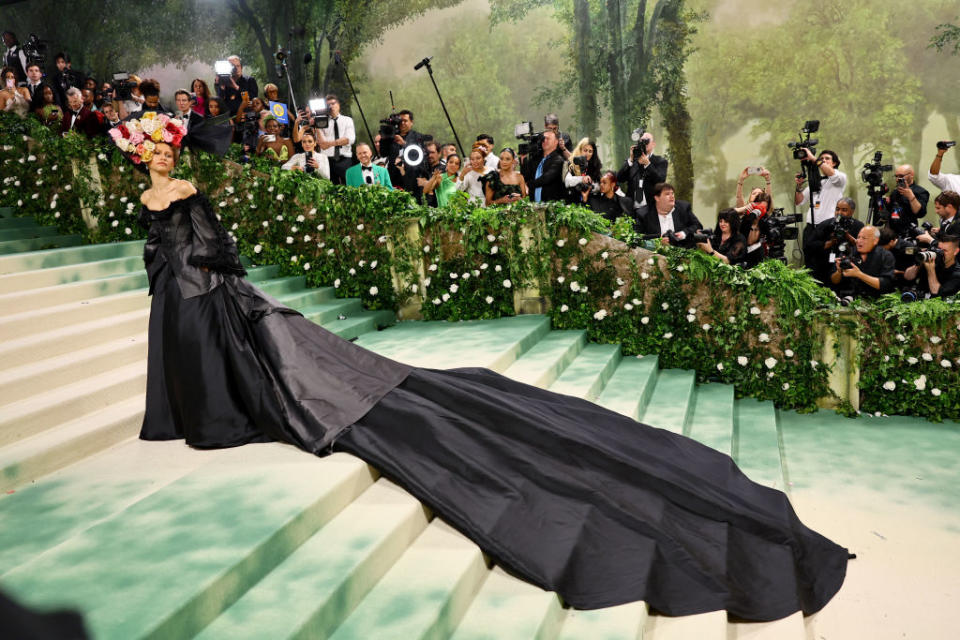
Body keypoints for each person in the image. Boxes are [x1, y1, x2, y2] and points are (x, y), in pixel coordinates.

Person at [124, 127, 848, 625]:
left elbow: (213, 246)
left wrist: (203, 275)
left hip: (210, 293)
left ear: (171, 155)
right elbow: (165, 251)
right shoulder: (152, 196)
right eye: (146, 150)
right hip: (180, 302)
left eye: (158, 149)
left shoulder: (188, 188)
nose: (153, 158)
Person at [803, 197, 863, 286]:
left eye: (844, 210)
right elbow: (809, 245)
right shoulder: (826, 224)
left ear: (852, 211)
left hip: (848, 268)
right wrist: (827, 244)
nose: (839, 213)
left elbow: (863, 247)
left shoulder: (858, 226)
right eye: (837, 209)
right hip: (824, 266)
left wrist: (848, 236)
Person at [829, 225, 895, 300]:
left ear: (875, 241)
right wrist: (839, 271)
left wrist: (859, 274)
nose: (859, 241)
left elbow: (885, 284)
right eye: (858, 237)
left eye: (864, 238)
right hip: (847, 299)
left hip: (875, 302)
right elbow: (834, 281)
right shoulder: (848, 252)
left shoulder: (885, 256)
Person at [637, 182, 702, 245]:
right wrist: (657, 241)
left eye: (672, 193)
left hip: (682, 248)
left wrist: (684, 233)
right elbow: (637, 236)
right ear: (657, 198)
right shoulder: (643, 213)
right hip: (655, 252)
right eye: (667, 194)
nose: (672, 196)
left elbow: (697, 225)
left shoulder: (683, 208)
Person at [617, 132, 668, 211]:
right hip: (632, 208)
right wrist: (630, 160)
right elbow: (619, 178)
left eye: (647, 141)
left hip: (651, 207)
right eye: (642, 141)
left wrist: (648, 164)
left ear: (653, 144)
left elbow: (660, 181)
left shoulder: (660, 161)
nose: (644, 143)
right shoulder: (632, 161)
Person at [795, 149, 847, 225]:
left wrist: (814, 159)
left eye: (827, 158)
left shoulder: (840, 177)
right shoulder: (816, 181)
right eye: (822, 159)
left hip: (829, 224)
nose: (824, 160)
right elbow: (798, 202)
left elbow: (832, 174)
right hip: (811, 225)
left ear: (834, 163)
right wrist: (799, 185)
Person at [314, 94, 355, 185]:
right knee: (330, 186)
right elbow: (322, 145)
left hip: (345, 159)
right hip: (328, 160)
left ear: (338, 105)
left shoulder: (347, 120)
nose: (331, 106)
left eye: (333, 103)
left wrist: (329, 143)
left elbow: (349, 139)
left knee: (348, 185)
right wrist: (317, 125)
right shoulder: (322, 121)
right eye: (328, 105)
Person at [883, 164, 928, 231]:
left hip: (908, 231)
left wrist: (911, 197)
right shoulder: (895, 192)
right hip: (891, 231)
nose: (898, 179)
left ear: (911, 174)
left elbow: (920, 213)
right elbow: (891, 210)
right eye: (896, 176)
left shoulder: (920, 191)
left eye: (901, 176)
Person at [526, 130, 566, 203]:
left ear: (556, 141)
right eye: (543, 138)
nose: (544, 140)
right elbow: (526, 176)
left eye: (548, 138)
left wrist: (528, 184)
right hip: (533, 206)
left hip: (551, 206)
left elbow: (546, 178)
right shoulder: (535, 159)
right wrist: (523, 159)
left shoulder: (558, 159)